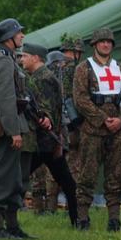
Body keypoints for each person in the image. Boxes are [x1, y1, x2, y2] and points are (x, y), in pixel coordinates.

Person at [0, 18, 33, 240]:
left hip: (2, 120)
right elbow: (6, 99)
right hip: (4, 124)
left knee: (13, 176)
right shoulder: (2, 60)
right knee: (1, 175)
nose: (22, 35)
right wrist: (14, 131)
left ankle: (11, 226)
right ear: (8, 37)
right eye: (18, 32)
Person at [73, 27, 121, 232]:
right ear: (95, 45)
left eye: (109, 42)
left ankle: (114, 220)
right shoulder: (84, 68)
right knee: (87, 175)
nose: (106, 44)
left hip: (117, 132)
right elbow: (80, 99)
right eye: (102, 41)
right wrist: (103, 119)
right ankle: (82, 218)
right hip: (92, 131)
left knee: (116, 176)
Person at [18, 43, 78, 227]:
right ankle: (78, 220)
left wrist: (51, 130)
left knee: (19, 179)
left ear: (36, 57)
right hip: (44, 141)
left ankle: (79, 219)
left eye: (25, 56)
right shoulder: (36, 76)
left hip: (44, 141)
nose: (21, 59)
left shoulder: (43, 78)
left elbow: (47, 110)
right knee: (65, 181)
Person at [45, 36, 84, 212]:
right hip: (72, 125)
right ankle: (72, 206)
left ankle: (50, 207)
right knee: (74, 165)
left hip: (53, 124)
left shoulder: (48, 68)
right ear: (76, 52)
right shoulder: (76, 69)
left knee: (53, 166)